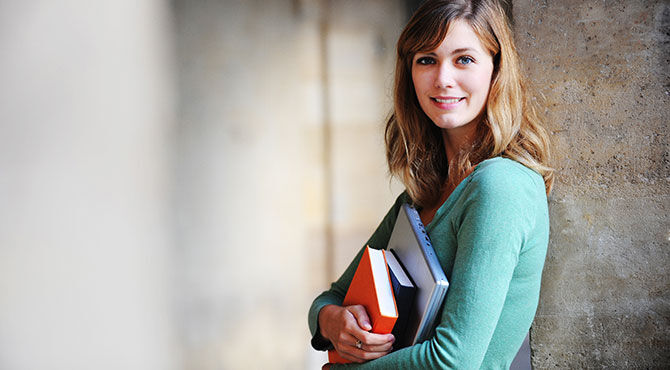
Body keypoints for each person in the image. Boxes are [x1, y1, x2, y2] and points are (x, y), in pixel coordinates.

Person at [308, 0, 553, 368]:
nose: (442, 79)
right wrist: (332, 322)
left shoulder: (499, 186)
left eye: (464, 59)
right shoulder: (424, 194)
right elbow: (330, 299)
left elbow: (454, 361)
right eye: (426, 59)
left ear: (496, 68)